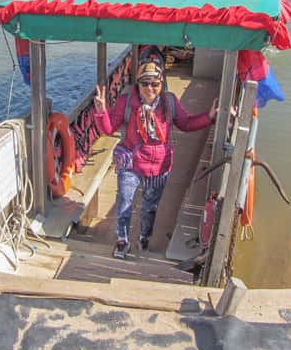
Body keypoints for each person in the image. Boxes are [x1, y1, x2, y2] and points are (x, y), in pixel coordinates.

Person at [93, 59, 219, 259]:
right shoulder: (126, 102)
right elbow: (108, 129)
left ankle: (144, 237)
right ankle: (122, 241)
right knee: (124, 201)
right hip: (131, 162)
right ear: (138, 84)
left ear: (162, 84)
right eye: (144, 83)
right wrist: (101, 112)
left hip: (160, 165)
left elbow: (186, 123)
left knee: (150, 207)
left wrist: (209, 116)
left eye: (155, 83)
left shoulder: (170, 102)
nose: (149, 88)